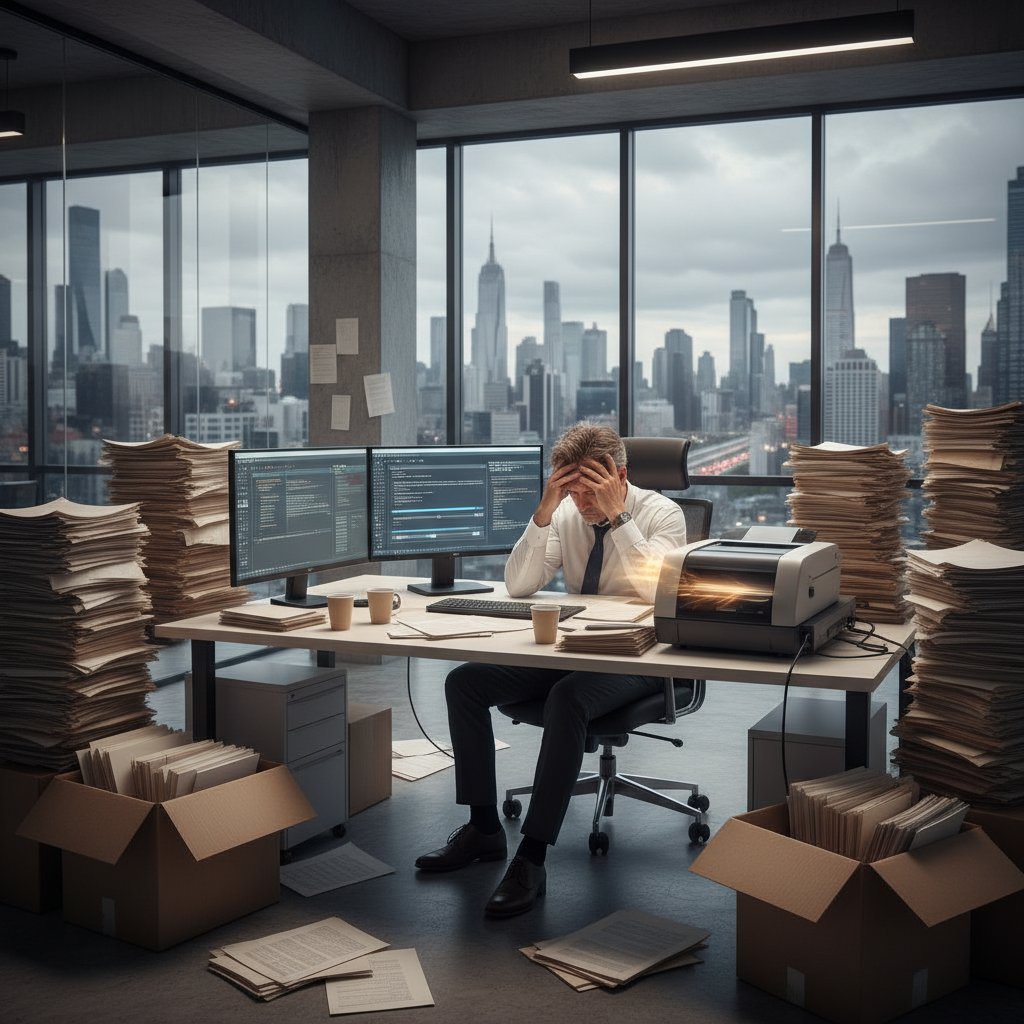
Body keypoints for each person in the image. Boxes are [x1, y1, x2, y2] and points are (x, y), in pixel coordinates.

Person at [414, 421, 687, 917]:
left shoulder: (661, 514)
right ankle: (484, 828)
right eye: (571, 491)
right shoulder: (564, 514)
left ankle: (532, 858)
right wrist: (543, 513)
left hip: (642, 659)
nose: (581, 504)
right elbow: (519, 585)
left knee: (569, 697)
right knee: (465, 683)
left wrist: (618, 519)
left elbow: (656, 592)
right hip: (574, 649)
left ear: (620, 475)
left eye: (590, 491)